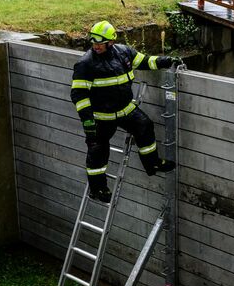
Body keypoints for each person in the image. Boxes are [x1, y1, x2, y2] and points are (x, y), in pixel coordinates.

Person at [70, 21, 182, 202]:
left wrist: (164, 61)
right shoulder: (85, 64)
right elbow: (79, 95)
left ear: (111, 42)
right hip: (101, 116)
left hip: (124, 109)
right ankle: (98, 189)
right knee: (98, 150)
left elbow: (145, 61)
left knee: (145, 125)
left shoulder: (124, 53)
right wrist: (88, 121)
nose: (96, 46)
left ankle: (152, 164)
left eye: (100, 43)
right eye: (93, 42)